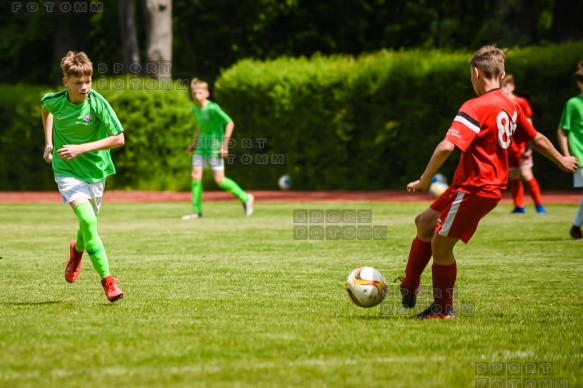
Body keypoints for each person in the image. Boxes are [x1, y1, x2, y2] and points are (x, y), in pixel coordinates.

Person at [399, 46, 579, 319]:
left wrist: (424, 180)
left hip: (477, 187)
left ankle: (443, 309)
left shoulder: (474, 106)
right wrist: (561, 160)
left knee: (441, 246)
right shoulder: (511, 104)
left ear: (475, 72)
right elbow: (537, 138)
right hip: (472, 185)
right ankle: (409, 285)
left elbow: (448, 146)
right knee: (424, 222)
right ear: (502, 74)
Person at [41, 51, 125, 303]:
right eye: (78, 83)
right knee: (89, 221)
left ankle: (77, 251)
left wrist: (81, 148)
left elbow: (119, 139)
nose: (84, 87)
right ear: (66, 82)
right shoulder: (54, 100)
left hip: (96, 172)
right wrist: (48, 143)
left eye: (88, 81)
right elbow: (46, 110)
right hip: (66, 172)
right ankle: (108, 281)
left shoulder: (98, 103)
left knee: (87, 226)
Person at [182, 78, 254, 220]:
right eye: (194, 93)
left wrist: (224, 145)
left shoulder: (213, 108)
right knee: (195, 175)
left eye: (199, 92)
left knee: (219, 180)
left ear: (207, 93)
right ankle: (196, 211)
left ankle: (245, 198)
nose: (196, 95)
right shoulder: (195, 109)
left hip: (214, 148)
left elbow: (230, 123)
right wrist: (194, 143)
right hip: (201, 148)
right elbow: (200, 127)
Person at [501, 74, 546, 214]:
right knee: (513, 175)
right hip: (508, 146)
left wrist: (528, 146)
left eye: (504, 86)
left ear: (512, 87)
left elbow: (529, 126)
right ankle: (519, 206)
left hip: (521, 144)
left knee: (526, 174)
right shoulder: (499, 102)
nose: (502, 89)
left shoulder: (521, 101)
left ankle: (539, 205)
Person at [557, 63, 583, 240]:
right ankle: (576, 227)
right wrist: (566, 154)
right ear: (578, 83)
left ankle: (576, 226)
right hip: (580, 155)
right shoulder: (572, 104)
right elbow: (562, 129)